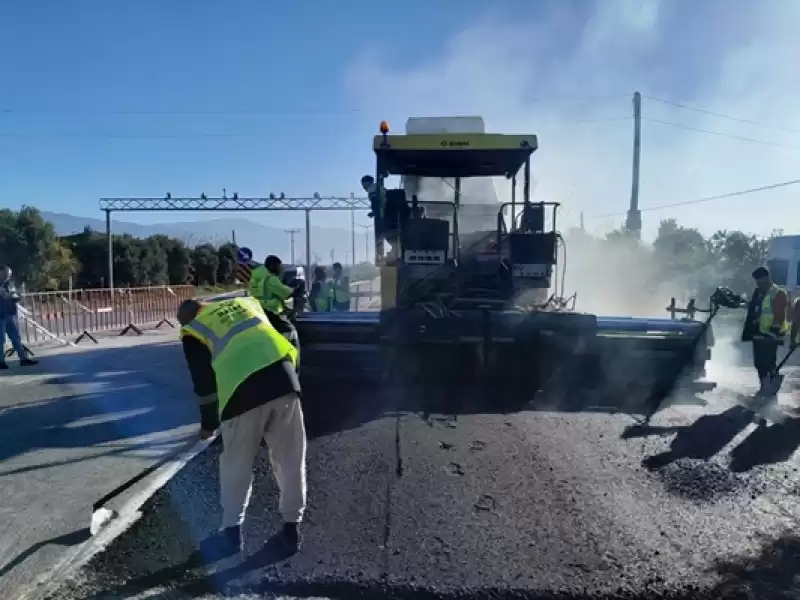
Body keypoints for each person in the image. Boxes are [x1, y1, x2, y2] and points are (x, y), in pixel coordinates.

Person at [178, 295, 307, 556]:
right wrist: (291, 371)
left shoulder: (193, 331)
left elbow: (203, 385)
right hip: (284, 382)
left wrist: (209, 424)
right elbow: (288, 329)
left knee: (236, 465)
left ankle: (230, 535)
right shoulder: (247, 303)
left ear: (189, 317)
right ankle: (291, 531)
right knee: (290, 459)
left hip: (241, 394)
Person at [741, 266, 788, 396]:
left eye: (761, 282)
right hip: (759, 334)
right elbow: (756, 309)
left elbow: (779, 315)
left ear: (767, 279)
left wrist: (774, 332)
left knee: (769, 363)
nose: (759, 285)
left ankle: (770, 389)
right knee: (758, 363)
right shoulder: (759, 292)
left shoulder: (778, 293)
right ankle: (764, 387)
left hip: (772, 335)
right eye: (757, 282)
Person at [248, 255, 300, 348]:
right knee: (291, 332)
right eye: (278, 267)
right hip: (273, 313)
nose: (280, 269)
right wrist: (294, 287)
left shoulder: (255, 278)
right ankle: (293, 357)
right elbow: (285, 293)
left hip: (257, 312)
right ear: (272, 266)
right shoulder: (271, 279)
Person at [0, 266, 37, 369]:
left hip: (10, 314)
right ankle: (1, 362)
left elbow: (16, 296)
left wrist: (17, 296)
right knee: (1, 340)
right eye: (6, 274)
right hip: (1, 316)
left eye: (9, 274)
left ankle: (23, 359)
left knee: (16, 338)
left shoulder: (9, 284)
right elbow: (5, 296)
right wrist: (10, 295)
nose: (7, 276)